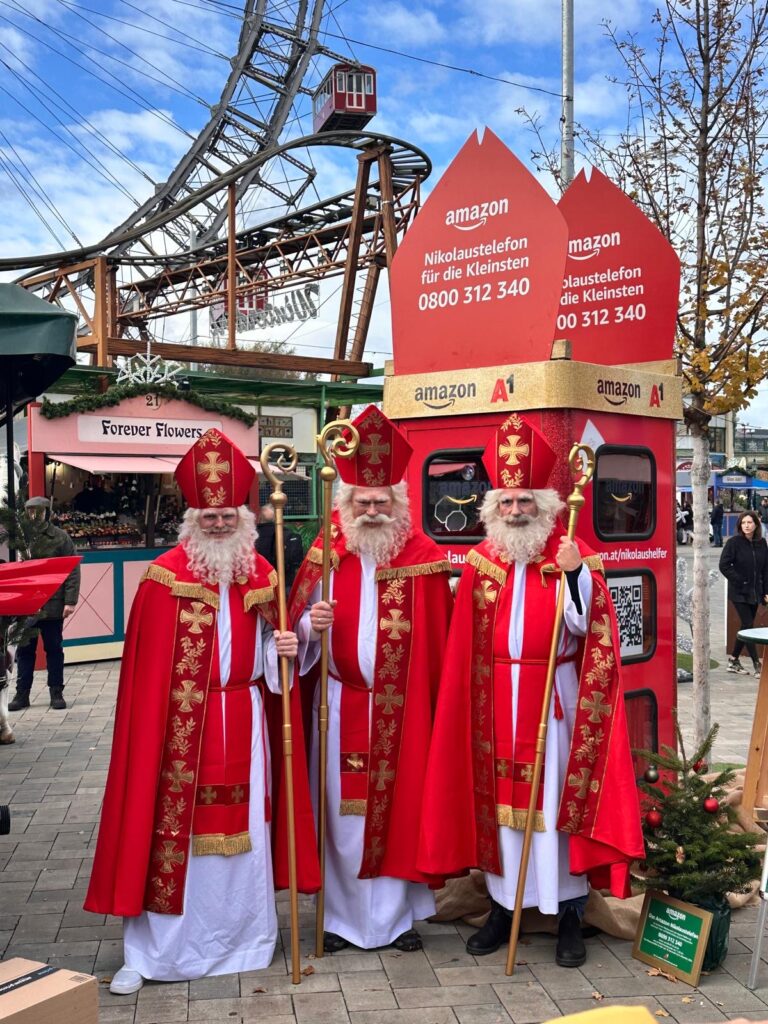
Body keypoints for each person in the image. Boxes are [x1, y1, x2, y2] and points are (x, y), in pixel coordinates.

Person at [84, 428, 319, 993]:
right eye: (207, 516)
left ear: (245, 517)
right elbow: (145, 673)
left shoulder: (261, 575)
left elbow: (274, 655)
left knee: (250, 833)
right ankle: (156, 954)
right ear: (191, 518)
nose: (218, 524)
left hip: (245, 719)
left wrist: (292, 643)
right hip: (174, 731)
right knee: (170, 833)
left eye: (228, 515)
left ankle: (244, 942)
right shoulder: (162, 579)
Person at [418, 413, 644, 968]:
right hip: (493, 698)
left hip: (555, 694)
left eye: (524, 502)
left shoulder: (572, 553)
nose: (515, 511)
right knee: (501, 809)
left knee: (553, 802)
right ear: (492, 509)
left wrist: (573, 576)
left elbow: (589, 629)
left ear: (545, 505)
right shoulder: (481, 562)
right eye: (506, 503)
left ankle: (567, 912)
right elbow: (462, 641)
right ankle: (503, 905)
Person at [289, 405, 454, 953]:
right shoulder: (324, 554)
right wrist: (310, 627)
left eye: (383, 501)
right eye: (364, 500)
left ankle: (397, 919)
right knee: (339, 815)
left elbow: (437, 643)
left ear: (398, 503)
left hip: (402, 712)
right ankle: (338, 919)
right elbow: (294, 634)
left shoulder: (423, 557)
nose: (373, 509)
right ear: (347, 502)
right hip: (335, 706)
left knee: (399, 812)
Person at [9, 496, 80, 711]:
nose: (34, 516)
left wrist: (70, 601)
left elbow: (72, 570)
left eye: (38, 511)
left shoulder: (60, 538)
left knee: (54, 649)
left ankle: (56, 691)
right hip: (27, 606)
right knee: (24, 652)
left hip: (53, 605)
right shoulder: (20, 538)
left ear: (47, 513)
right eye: (30, 511)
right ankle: (22, 694)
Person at [719, 510, 768, 677]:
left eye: (750, 522)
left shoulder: (762, 543)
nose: (746, 526)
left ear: (756, 524)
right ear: (740, 525)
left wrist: (766, 591)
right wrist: (740, 580)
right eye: (743, 523)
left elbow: (765, 570)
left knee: (745, 626)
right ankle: (757, 664)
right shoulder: (734, 543)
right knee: (748, 625)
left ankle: (733, 660)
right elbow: (724, 565)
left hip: (755, 592)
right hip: (739, 592)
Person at [256, 503, 304, 590]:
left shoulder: (251, 536)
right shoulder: (289, 535)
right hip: (284, 583)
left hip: (259, 584)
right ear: (278, 517)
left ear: (260, 517)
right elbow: (297, 560)